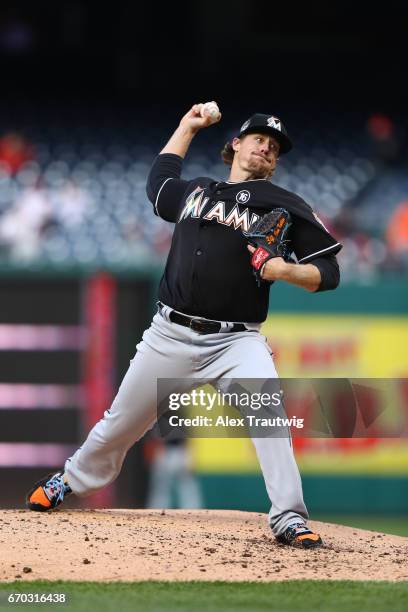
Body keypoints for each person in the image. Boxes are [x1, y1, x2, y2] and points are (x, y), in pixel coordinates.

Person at [26, 103, 342, 549]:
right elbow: (159, 186)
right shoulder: (197, 191)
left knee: (270, 419)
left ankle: (288, 516)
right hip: (168, 334)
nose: (266, 149)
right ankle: (70, 481)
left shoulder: (285, 204)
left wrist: (286, 271)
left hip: (236, 340)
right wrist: (186, 127)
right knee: (120, 423)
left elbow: (329, 273)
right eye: (258, 140)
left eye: (274, 148)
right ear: (235, 145)